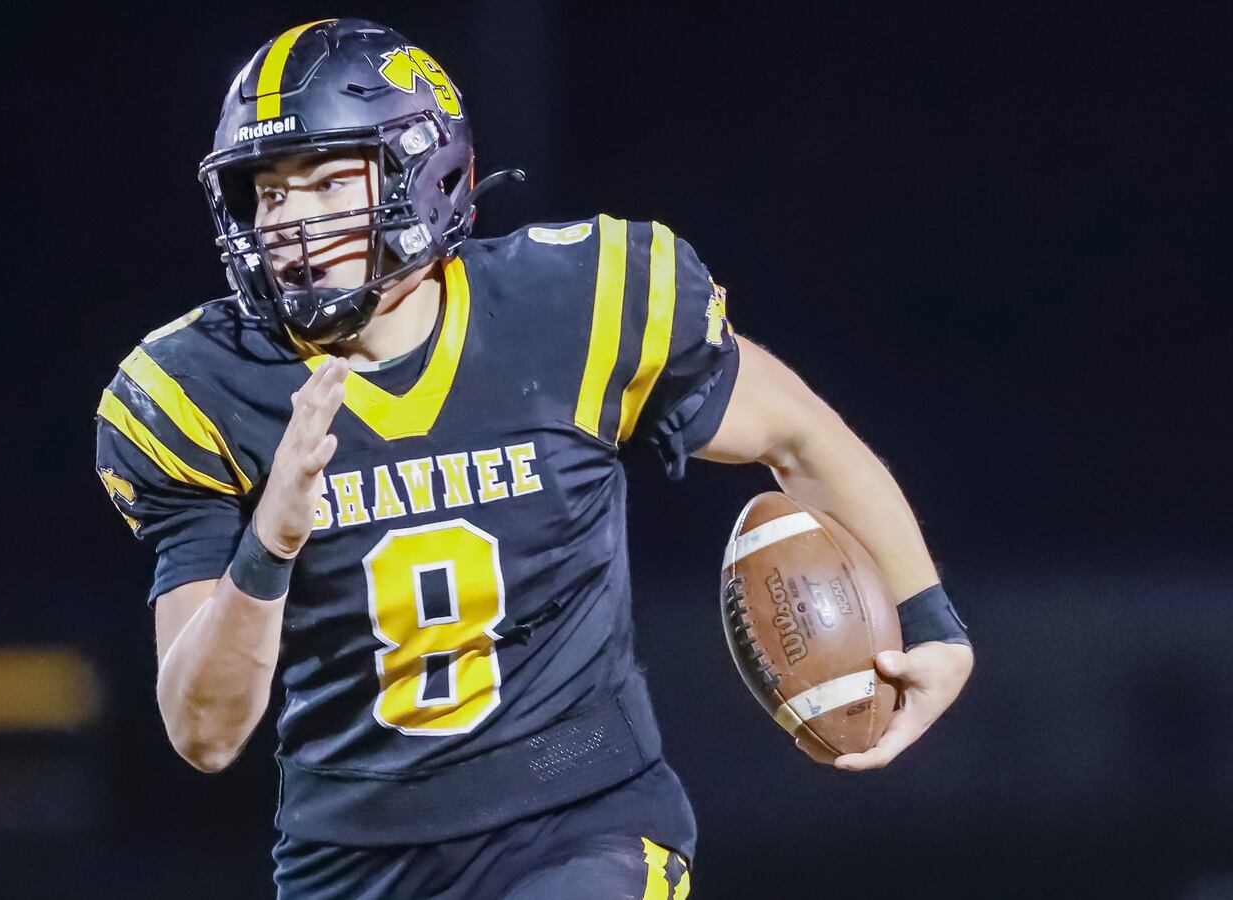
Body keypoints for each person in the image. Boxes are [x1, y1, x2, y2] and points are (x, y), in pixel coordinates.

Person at [94, 18, 973, 899]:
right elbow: (203, 733)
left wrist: (930, 622)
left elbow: (798, 433)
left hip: (580, 824)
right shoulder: (198, 390)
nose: (288, 223)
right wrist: (268, 548)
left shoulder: (574, 307)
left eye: (325, 182)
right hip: (350, 862)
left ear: (424, 173)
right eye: (269, 193)